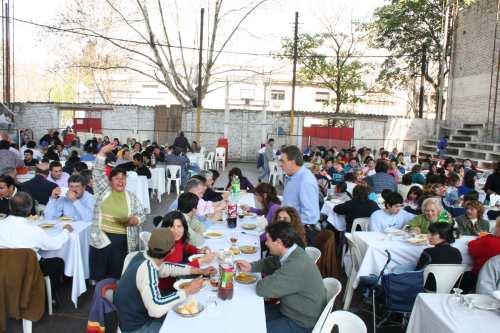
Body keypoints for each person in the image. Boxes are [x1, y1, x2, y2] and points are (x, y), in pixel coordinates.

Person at [114, 228, 214, 333]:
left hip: (133, 317)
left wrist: (200, 270)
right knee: (188, 326)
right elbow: (155, 309)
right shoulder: (147, 269)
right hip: (137, 327)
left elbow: (169, 268)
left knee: (180, 309)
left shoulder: (143, 256)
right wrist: (187, 291)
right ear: (171, 251)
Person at [235, 222, 326, 333]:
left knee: (253, 328)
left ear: (278, 242)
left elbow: (262, 289)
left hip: (301, 322)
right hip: (290, 310)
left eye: (268, 240)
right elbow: (273, 262)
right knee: (247, 315)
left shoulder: (296, 265)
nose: (266, 243)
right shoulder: (293, 251)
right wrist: (251, 267)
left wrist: (273, 278)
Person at [0, 192, 73, 300]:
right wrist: (65, 231)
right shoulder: (34, 230)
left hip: (3, 268)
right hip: (28, 269)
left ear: (10, 207)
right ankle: (50, 298)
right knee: (58, 263)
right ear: (30, 209)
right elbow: (55, 244)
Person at [89, 143, 145, 281]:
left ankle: (115, 293)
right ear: (110, 180)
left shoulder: (131, 197)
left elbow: (141, 215)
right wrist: (102, 152)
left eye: (123, 178)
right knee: (101, 275)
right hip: (102, 236)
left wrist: (135, 220)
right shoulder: (104, 190)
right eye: (117, 178)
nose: (120, 181)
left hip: (122, 239)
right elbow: (97, 172)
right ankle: (101, 294)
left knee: (117, 273)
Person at [157, 211, 215, 291]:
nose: (176, 230)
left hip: (180, 280)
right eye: (171, 226)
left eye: (179, 226)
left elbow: (185, 247)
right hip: (169, 288)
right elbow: (177, 271)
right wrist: (201, 261)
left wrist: (198, 251)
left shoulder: (177, 239)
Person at [281, 146, 320, 245]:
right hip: (291, 227)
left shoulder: (305, 181)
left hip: (301, 232)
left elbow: (309, 215)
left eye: (283, 161)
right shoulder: (293, 177)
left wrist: (288, 220)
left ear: (292, 162)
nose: (281, 165)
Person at [415, 223, 462, 290]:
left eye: (432, 234)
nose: (428, 236)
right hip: (450, 288)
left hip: (428, 287)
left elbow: (418, 271)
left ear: (443, 236)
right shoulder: (457, 252)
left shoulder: (428, 252)